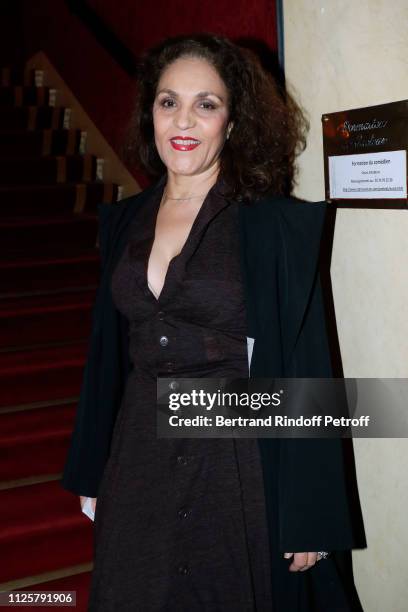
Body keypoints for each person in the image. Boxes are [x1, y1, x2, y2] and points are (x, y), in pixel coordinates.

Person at [61, 33, 364, 611]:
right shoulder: (124, 222)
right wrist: (92, 463)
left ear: (233, 119)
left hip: (238, 459)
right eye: (168, 101)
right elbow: (108, 354)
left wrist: (309, 513)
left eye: (207, 104)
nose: (184, 120)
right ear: (149, 110)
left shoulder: (272, 227)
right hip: (138, 456)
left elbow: (307, 359)